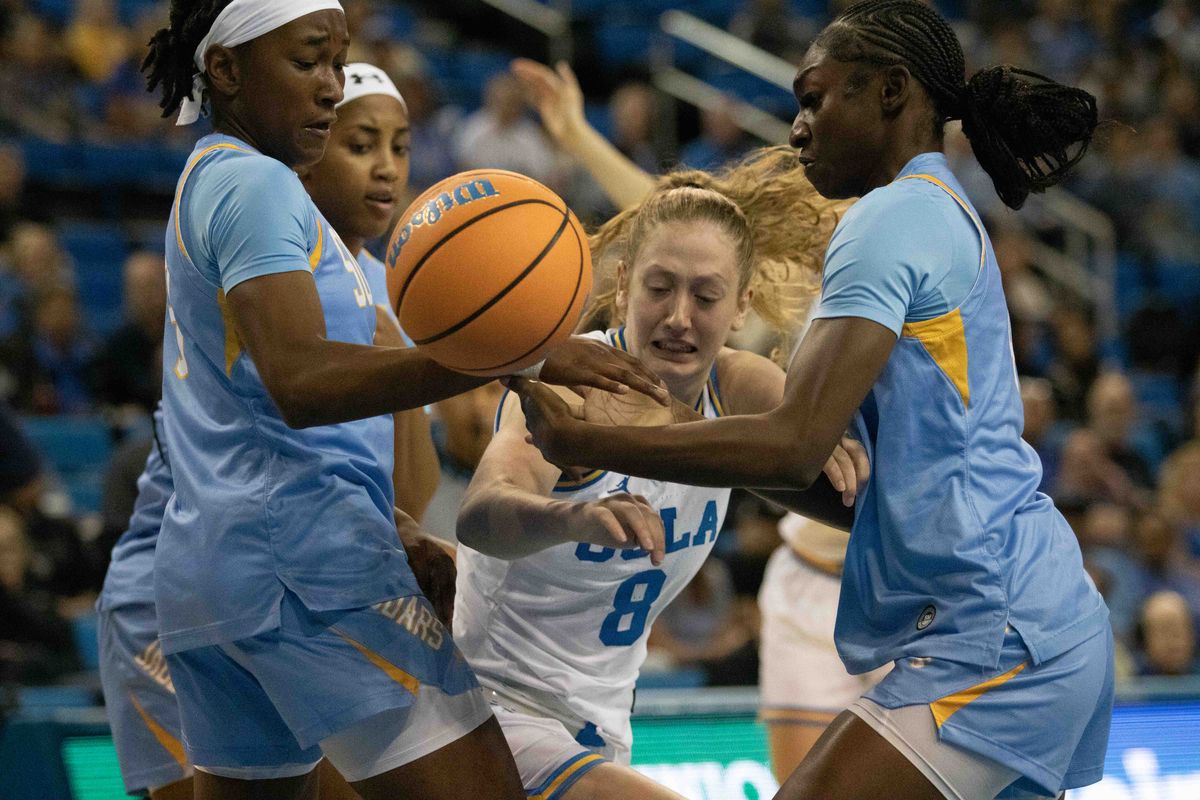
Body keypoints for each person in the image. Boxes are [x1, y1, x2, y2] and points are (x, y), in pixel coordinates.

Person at [511, 2, 1114, 798]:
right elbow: (831, 483)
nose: (796, 127)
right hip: (1037, 624)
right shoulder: (932, 209)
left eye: (815, 97)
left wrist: (595, 441)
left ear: (893, 93)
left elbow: (792, 443)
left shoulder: (893, 217)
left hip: (998, 640)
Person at [140, 3, 664, 798]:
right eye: (308, 61)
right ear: (226, 70)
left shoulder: (211, 179)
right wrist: (506, 353)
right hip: (309, 567)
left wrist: (395, 522)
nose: (327, 86)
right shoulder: (257, 184)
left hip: (214, 576)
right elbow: (302, 385)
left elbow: (248, 419)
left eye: (336, 61)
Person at [456, 167, 868, 800]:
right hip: (491, 710)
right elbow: (480, 515)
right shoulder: (575, 381)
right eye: (659, 288)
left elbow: (859, 492)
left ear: (740, 308)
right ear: (623, 288)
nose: (679, 317)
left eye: (705, 297)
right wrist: (571, 518)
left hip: (602, 730)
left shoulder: (737, 388)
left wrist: (828, 440)